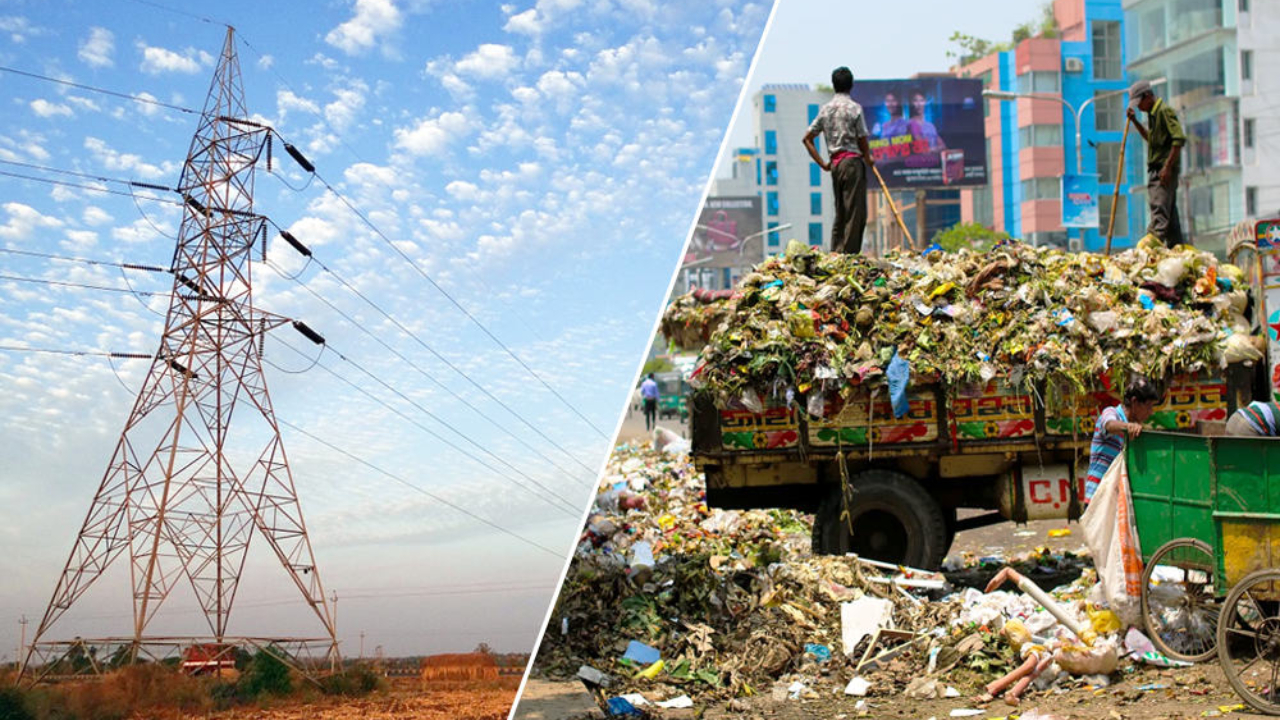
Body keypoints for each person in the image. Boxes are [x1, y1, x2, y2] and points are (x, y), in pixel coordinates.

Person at [803, 66, 874, 254]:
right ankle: (848, 255)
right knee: (855, 212)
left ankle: (836, 251)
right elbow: (861, 138)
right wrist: (868, 158)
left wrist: (824, 164)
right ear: (851, 85)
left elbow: (807, 139)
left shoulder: (825, 110)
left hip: (835, 165)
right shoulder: (854, 108)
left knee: (841, 211)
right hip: (852, 164)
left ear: (834, 85)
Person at [1127, 79, 1186, 248]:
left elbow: (1178, 139)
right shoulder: (1152, 115)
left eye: (1140, 103)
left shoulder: (1164, 112)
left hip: (1162, 170)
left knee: (1159, 214)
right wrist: (1135, 122)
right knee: (1171, 219)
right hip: (1158, 169)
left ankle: (1149, 253)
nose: (1139, 107)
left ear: (1148, 96)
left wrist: (1167, 168)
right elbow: (1151, 139)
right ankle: (1177, 250)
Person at [1084, 377, 1162, 503]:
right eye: (1148, 406)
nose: (1151, 412)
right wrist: (1128, 427)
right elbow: (1109, 424)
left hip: (1116, 501)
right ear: (1135, 402)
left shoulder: (1135, 429)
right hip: (1098, 500)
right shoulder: (1112, 413)